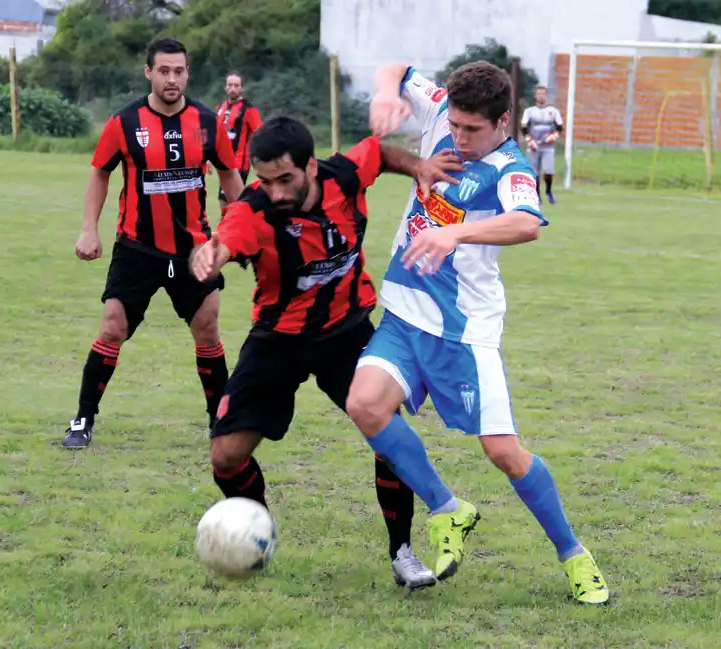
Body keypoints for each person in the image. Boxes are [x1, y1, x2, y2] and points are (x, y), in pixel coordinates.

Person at [345, 61, 609, 604]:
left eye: (473, 130)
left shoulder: (509, 168)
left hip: (463, 329)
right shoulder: (444, 108)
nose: (459, 138)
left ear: (504, 123)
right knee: (365, 405)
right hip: (404, 311)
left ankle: (574, 556)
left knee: (505, 453)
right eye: (456, 126)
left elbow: (527, 223)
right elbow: (396, 68)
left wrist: (456, 232)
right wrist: (382, 94)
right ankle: (449, 509)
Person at [190, 117, 461, 591]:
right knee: (227, 456)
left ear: (311, 166)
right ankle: (256, 533)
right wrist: (214, 252)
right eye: (265, 180)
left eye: (285, 179)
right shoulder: (256, 211)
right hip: (279, 339)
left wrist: (417, 164)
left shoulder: (344, 176)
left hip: (348, 333)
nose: (274, 191)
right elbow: (230, 234)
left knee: (388, 433)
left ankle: (402, 550)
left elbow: (378, 151)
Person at [63, 37, 244, 449]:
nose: (172, 79)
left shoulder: (207, 122)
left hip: (194, 249)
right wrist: (89, 228)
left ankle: (222, 423)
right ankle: (82, 420)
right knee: (113, 328)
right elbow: (100, 173)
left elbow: (231, 176)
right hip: (137, 247)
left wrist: (241, 229)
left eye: (179, 71)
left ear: (187, 73)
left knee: (208, 329)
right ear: (148, 72)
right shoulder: (123, 123)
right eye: (163, 70)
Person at [213, 72, 263, 213]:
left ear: (242, 88)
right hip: (222, 162)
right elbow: (216, 133)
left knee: (230, 201)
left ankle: (233, 230)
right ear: (225, 87)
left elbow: (259, 133)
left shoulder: (249, 109)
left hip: (238, 164)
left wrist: (257, 158)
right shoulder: (221, 107)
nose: (233, 88)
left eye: (236, 85)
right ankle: (230, 230)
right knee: (225, 201)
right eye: (230, 85)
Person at [521, 85, 564, 204]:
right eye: (538, 94)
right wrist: (530, 141)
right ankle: (537, 195)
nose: (541, 96)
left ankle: (549, 191)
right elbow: (523, 128)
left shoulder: (553, 111)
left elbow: (560, 128)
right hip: (534, 145)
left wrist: (553, 136)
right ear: (535, 96)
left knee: (548, 171)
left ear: (546, 96)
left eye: (543, 94)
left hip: (548, 146)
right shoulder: (529, 111)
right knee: (534, 172)